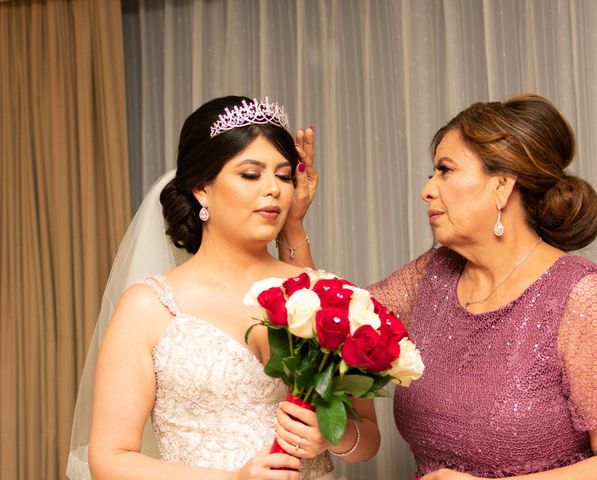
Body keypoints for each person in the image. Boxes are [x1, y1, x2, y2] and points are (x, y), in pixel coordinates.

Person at [283, 94, 597, 479]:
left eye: (445, 170)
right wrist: (293, 222)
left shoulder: (581, 295)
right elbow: (330, 320)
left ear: (502, 186)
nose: (428, 189)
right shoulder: (433, 274)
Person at [66, 96, 380, 480]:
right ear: (202, 188)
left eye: (283, 176)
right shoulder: (148, 307)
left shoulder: (321, 293)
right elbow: (110, 459)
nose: (274, 190)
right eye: (251, 174)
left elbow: (368, 440)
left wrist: (331, 435)